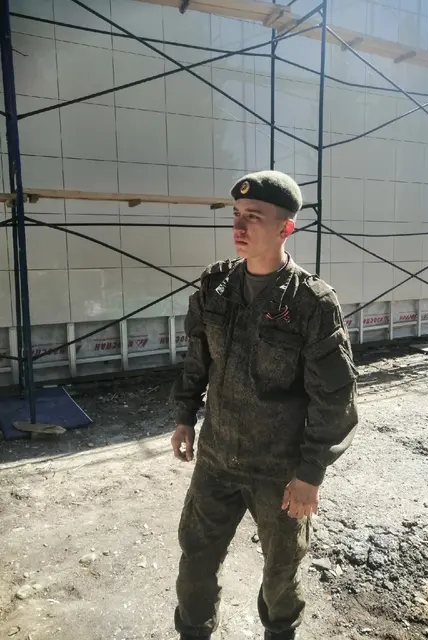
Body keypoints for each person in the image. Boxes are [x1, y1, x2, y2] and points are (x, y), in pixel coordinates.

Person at [170, 170, 359, 640]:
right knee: (196, 561)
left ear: (285, 228)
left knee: (281, 571)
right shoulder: (215, 285)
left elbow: (334, 397)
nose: (238, 226)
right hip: (216, 459)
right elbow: (197, 358)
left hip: (279, 472)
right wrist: (184, 416)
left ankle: (280, 633)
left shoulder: (312, 303)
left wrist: (311, 473)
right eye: (236, 214)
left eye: (253, 217)